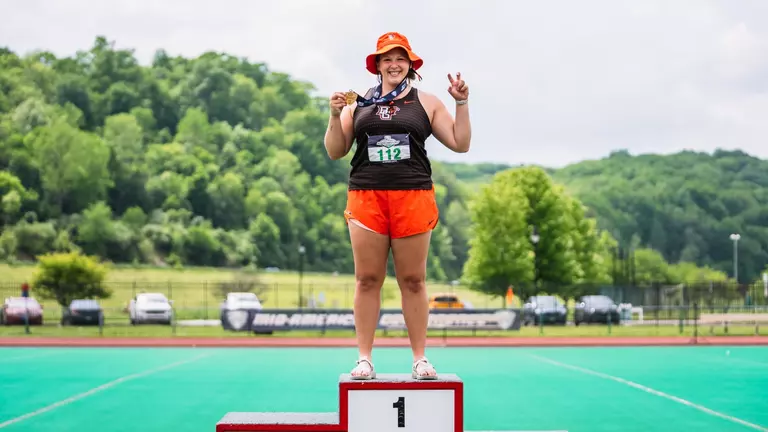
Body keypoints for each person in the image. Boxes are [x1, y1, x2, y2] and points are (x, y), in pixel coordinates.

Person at [323, 32, 471, 380]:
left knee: (413, 280)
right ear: (376, 65)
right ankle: (364, 359)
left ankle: (420, 359)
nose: (394, 64)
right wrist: (333, 115)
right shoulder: (356, 103)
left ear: (410, 65)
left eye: (400, 58)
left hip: (413, 196)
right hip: (366, 198)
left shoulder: (428, 102)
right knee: (367, 279)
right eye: (387, 58)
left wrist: (461, 104)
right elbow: (334, 150)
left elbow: (461, 144)